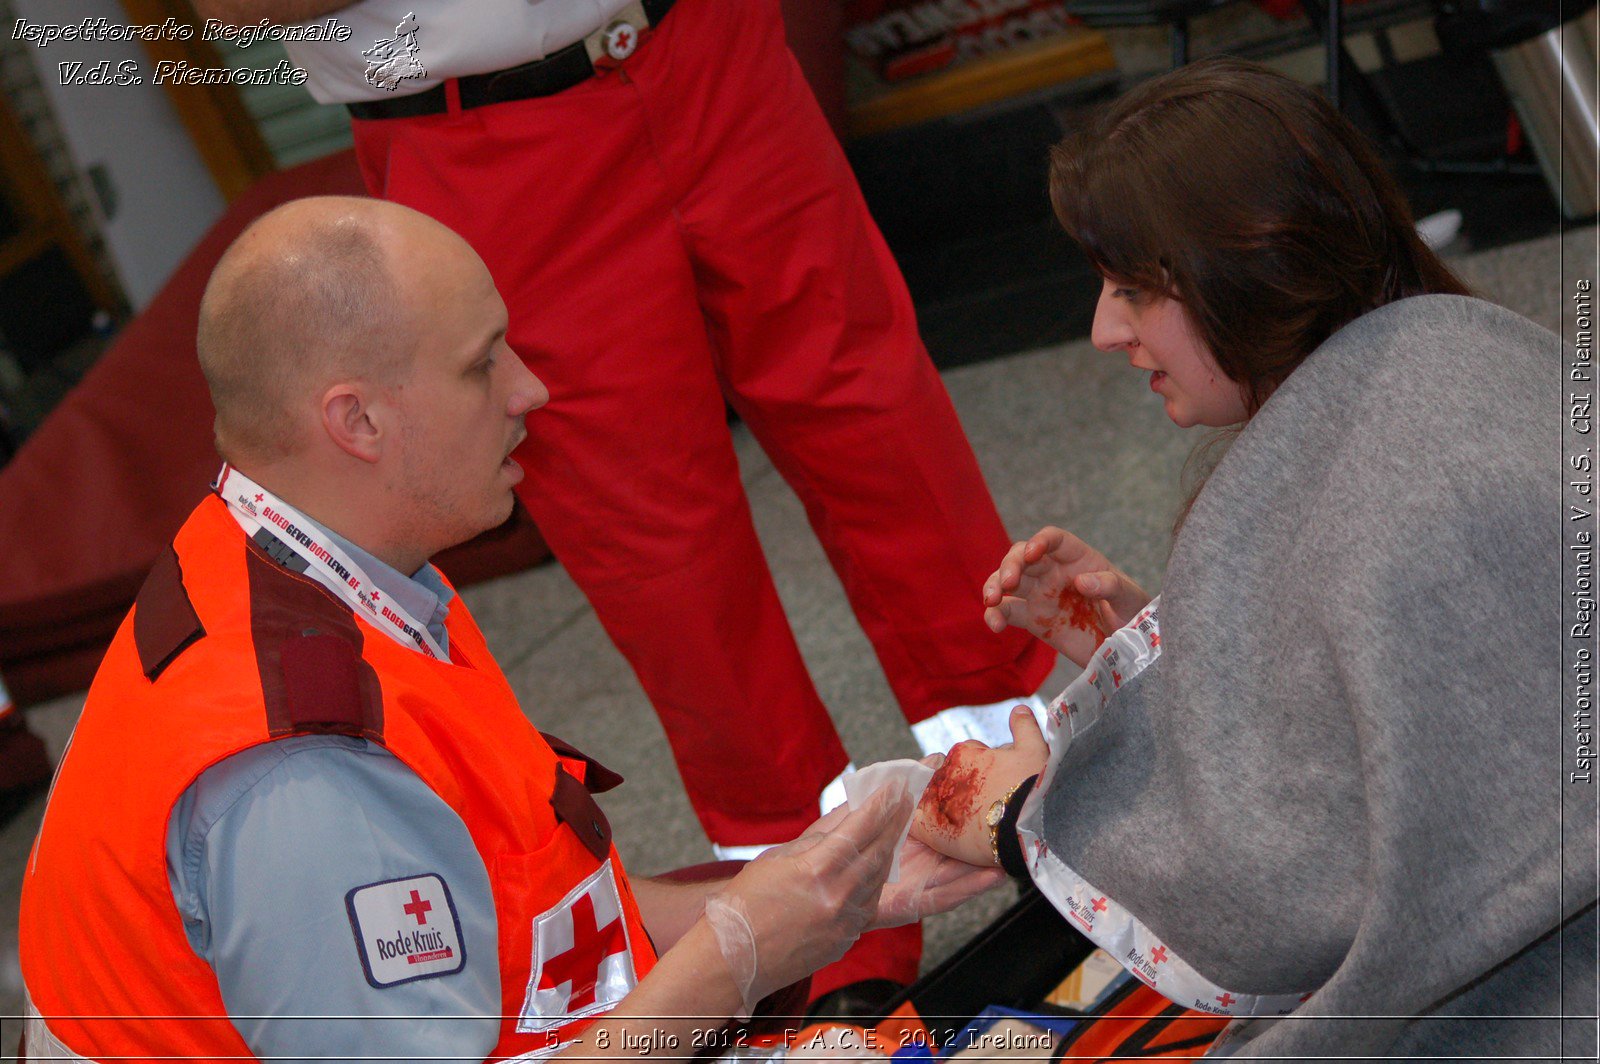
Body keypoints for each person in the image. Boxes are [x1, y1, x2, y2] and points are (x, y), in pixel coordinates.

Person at [16, 196, 1001, 1063]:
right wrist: (731, 958)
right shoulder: (302, 772)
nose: (529, 388)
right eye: (482, 362)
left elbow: (535, 928)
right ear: (356, 422)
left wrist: (818, 895)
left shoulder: (309, 563)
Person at [192, 0, 1056, 890]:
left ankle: (1030, 772)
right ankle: (808, 901)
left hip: (703, 43)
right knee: (652, 538)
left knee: (870, 407)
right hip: (482, 131)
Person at [908, 58, 1594, 1056]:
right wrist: (1184, 648)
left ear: (1252, 264)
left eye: (1134, 288)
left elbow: (1277, 891)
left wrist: (1020, 813)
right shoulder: (1462, 362)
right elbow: (1396, 722)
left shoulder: (1416, 505)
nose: (1103, 330)